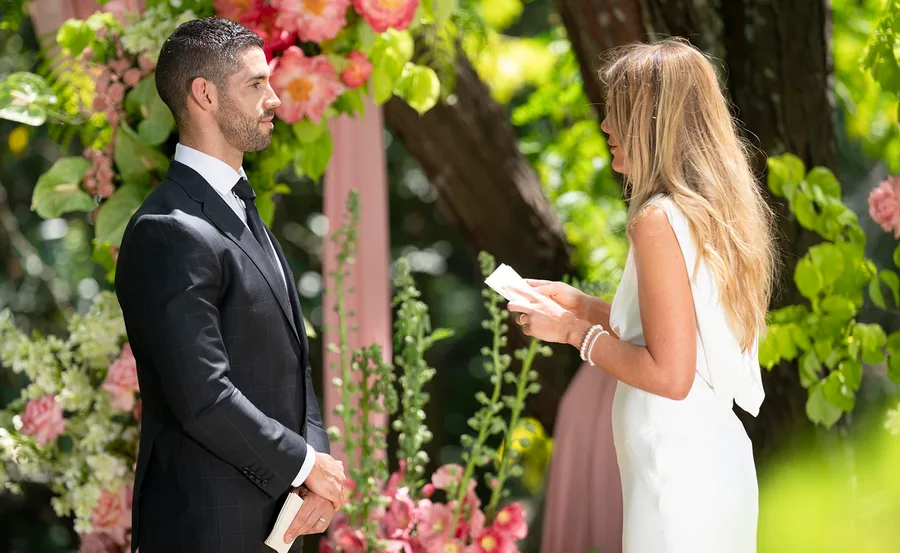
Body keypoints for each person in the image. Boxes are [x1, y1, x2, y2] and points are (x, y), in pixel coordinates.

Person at [509, 38, 776, 553]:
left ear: (655, 120)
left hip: (676, 478)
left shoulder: (658, 220)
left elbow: (669, 375)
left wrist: (570, 332)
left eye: (617, 112)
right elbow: (678, 337)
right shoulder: (707, 212)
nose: (607, 126)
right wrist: (583, 305)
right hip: (706, 465)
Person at [115, 17, 345, 553]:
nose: (275, 100)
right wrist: (307, 463)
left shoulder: (239, 205)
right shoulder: (167, 229)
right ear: (205, 94)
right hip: (205, 530)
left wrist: (316, 476)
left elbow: (294, 364)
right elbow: (203, 396)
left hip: (280, 524)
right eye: (255, 84)